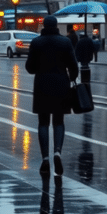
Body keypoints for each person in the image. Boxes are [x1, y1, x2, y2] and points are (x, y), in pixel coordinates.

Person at [26, 16, 79, 177]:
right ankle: (57, 152)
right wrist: (68, 79)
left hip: (42, 84)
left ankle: (45, 158)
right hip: (61, 83)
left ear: (43, 25)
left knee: (43, 122)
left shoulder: (36, 42)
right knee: (58, 121)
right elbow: (74, 67)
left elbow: (30, 67)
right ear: (56, 26)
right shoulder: (65, 42)